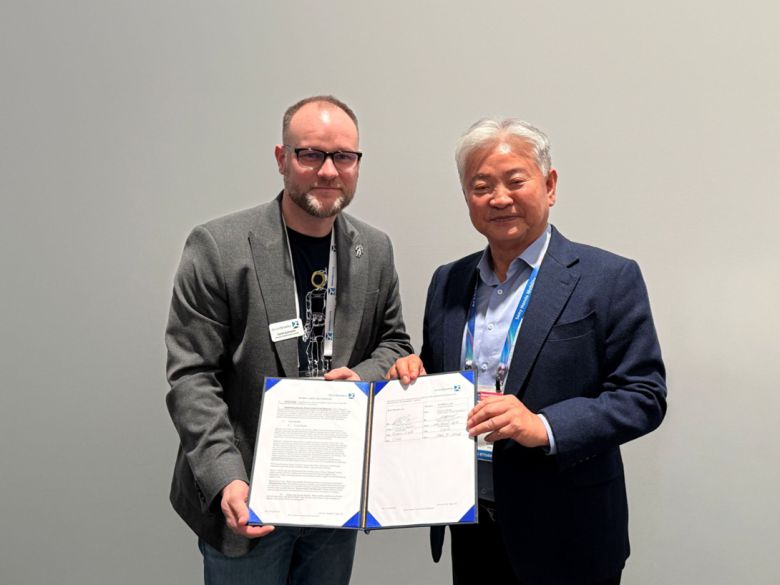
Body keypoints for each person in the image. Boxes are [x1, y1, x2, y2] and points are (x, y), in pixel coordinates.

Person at [388, 118, 667, 585]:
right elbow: (440, 374)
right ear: (467, 197)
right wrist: (412, 372)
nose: (499, 198)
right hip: (471, 525)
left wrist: (544, 426)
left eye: (515, 181)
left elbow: (644, 396)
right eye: (481, 186)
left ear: (550, 185)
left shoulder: (608, 278)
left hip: (568, 532)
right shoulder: (448, 280)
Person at [165, 95, 413, 585]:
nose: (328, 170)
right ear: (282, 159)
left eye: (343, 156)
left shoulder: (374, 249)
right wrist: (226, 479)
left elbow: (394, 343)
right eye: (311, 154)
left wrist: (358, 379)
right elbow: (192, 376)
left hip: (333, 495)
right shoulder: (218, 247)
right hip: (247, 497)